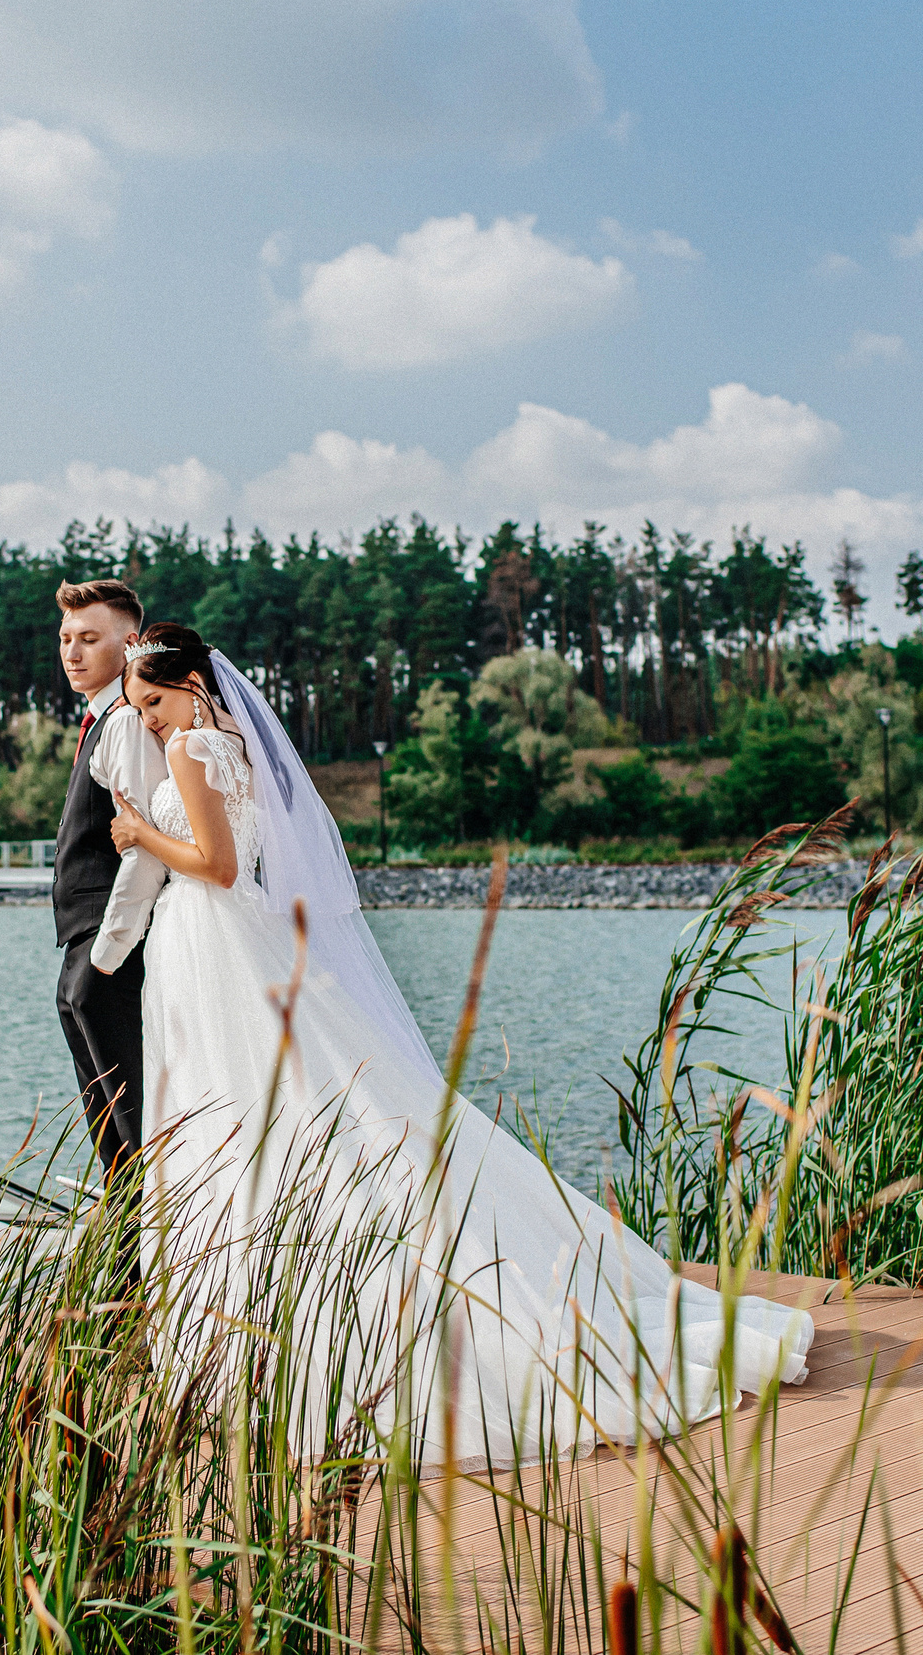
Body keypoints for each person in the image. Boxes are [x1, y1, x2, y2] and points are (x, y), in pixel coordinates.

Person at [106, 621, 815, 1463]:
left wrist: (140, 835)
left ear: (191, 683)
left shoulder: (191, 746)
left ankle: (252, 1335)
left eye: (152, 700)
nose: (148, 719)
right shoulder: (235, 744)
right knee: (291, 1105)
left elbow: (217, 865)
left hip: (214, 935)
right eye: (139, 709)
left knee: (237, 1107)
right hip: (237, 941)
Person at [48, 579, 168, 1231]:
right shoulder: (101, 721)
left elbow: (146, 846)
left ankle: (145, 1267)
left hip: (108, 951)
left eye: (89, 638)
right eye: (66, 638)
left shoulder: (123, 723)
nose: (72, 652)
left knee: (133, 1134)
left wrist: (104, 957)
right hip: (83, 949)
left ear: (130, 644)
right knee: (112, 1147)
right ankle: (121, 1272)